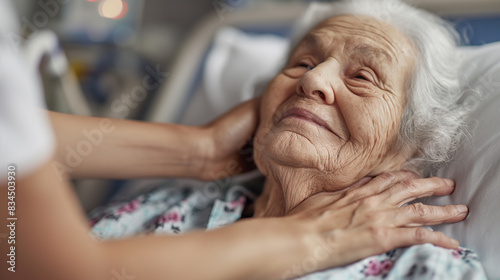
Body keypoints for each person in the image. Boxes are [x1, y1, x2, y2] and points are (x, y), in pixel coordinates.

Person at [0, 1, 482, 280]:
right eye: (302, 63)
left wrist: (202, 150)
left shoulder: (423, 267)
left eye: (362, 77)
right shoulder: (172, 209)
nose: (313, 83)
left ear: (412, 145)